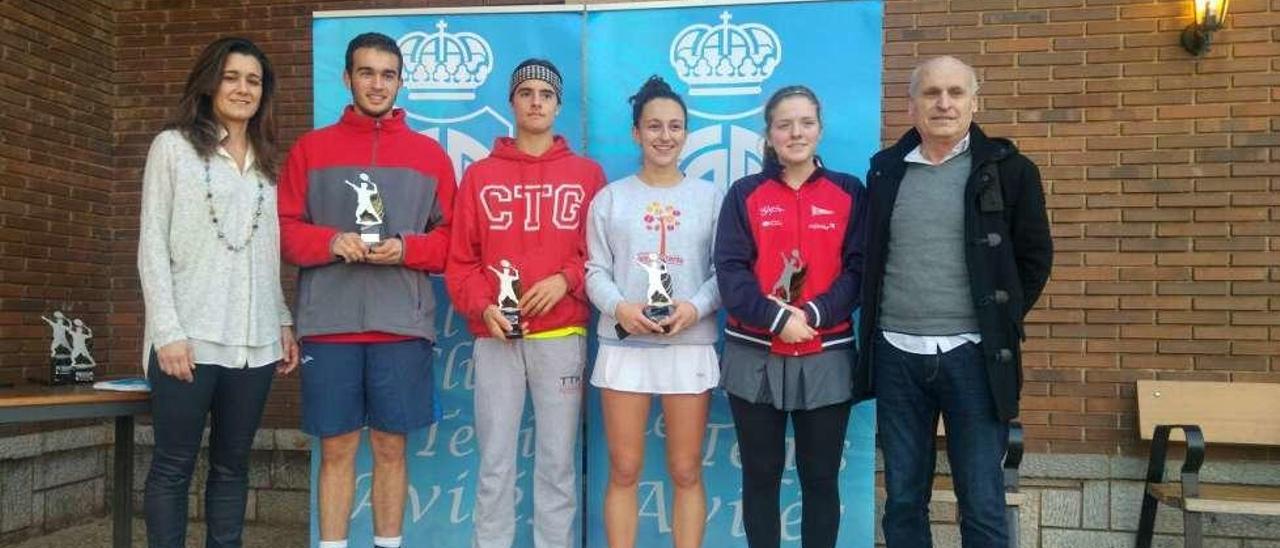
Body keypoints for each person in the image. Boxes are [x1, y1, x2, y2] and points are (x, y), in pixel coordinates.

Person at [860, 56, 1052, 548]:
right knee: (903, 500)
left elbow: (1034, 259)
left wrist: (996, 318)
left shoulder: (1010, 171)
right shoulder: (885, 170)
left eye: (955, 92)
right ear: (911, 105)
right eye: (931, 93)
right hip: (897, 356)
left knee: (982, 502)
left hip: (974, 357)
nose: (943, 103)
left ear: (974, 101)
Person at [277, 32, 456, 548]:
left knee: (390, 449)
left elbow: (454, 243)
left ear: (401, 81)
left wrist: (407, 249)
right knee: (335, 450)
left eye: (388, 74)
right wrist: (332, 240)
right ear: (347, 78)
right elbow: (285, 232)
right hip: (329, 325)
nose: (377, 84)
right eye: (367, 72)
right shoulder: (311, 149)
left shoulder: (429, 156)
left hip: (401, 325)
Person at [137, 36, 298, 548]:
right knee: (173, 466)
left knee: (232, 467)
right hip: (187, 341)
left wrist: (282, 322)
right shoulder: (173, 147)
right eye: (231, 77)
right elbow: (151, 246)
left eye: (253, 80)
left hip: (252, 346)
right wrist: (167, 333)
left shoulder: (268, 163)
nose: (242, 88)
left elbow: (265, 253)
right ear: (210, 83)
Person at [445, 58, 605, 548]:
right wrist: (482, 307)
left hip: (561, 337)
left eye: (546, 94)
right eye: (527, 92)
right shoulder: (480, 176)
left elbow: (601, 254)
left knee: (557, 463)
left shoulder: (586, 174)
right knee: (495, 461)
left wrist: (566, 279)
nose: (536, 102)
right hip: (496, 337)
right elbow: (460, 261)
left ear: (558, 105)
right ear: (512, 102)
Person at [714, 85, 867, 548]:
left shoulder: (849, 191)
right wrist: (776, 318)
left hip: (827, 353)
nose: (795, 132)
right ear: (769, 133)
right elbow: (730, 270)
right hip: (754, 352)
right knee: (761, 476)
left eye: (805, 123)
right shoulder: (744, 194)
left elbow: (861, 268)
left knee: (820, 479)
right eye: (784, 124)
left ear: (820, 129)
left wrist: (815, 312)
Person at [585, 76, 722, 548]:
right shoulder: (611, 198)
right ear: (635, 133)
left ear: (686, 133)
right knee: (624, 468)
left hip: (689, 344)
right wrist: (620, 308)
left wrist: (695, 307)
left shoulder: (710, 198)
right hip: (626, 347)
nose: (665, 136)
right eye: (654, 126)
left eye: (675, 126)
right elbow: (594, 271)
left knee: (685, 470)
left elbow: (725, 273)